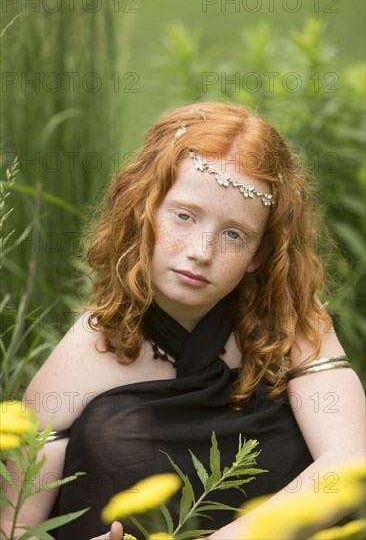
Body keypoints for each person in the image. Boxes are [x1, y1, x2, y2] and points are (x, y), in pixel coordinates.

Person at [2, 102, 365, 540]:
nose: (202, 250)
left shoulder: (294, 328)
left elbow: (350, 465)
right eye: (185, 216)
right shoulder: (87, 354)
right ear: (144, 210)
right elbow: (16, 526)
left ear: (260, 253)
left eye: (235, 234)